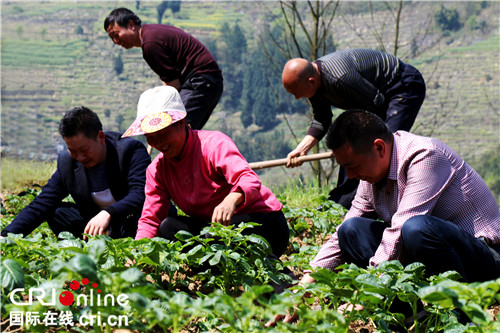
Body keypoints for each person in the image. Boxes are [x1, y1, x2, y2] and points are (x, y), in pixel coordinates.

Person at [272, 109, 500, 324]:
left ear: (379, 147)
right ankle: (405, 312)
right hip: (433, 258)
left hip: (484, 261)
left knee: (415, 228)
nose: (350, 175)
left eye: (352, 165)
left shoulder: (424, 155)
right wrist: (301, 291)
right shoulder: (369, 178)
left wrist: (366, 292)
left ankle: (458, 311)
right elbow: (340, 237)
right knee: (351, 231)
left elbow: (400, 230)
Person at [122, 85, 289, 258]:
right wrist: (137, 253)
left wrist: (231, 200)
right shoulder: (157, 170)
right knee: (168, 227)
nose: (158, 143)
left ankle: (274, 271)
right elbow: (151, 219)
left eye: (163, 134)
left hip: (263, 223)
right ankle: (213, 269)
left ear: (180, 123)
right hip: (215, 230)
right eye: (151, 137)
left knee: (215, 238)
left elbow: (248, 179)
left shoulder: (213, 144)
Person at [282, 49, 426, 209]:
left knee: (380, 147)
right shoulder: (314, 83)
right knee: (352, 146)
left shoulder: (340, 79)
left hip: (402, 87)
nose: (296, 97)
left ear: (311, 82)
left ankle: (371, 202)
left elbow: (378, 105)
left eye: (296, 92)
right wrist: (301, 149)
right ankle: (342, 202)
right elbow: (322, 119)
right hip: (377, 100)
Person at [1, 107, 151, 239]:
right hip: (98, 226)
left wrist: (109, 213)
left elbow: (140, 193)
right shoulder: (68, 163)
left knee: (147, 219)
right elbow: (43, 202)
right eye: (72, 151)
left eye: (84, 150)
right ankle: (94, 243)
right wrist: (6, 236)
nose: (79, 157)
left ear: (100, 137)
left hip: (131, 219)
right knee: (56, 212)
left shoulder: (130, 151)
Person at [104, 7, 223, 130]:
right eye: (111, 37)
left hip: (200, 82)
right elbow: (168, 78)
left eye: (116, 34)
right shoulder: (151, 34)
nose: (115, 41)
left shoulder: (150, 44)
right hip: (206, 81)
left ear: (131, 25)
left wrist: (160, 111)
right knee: (182, 132)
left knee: (175, 130)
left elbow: (173, 86)